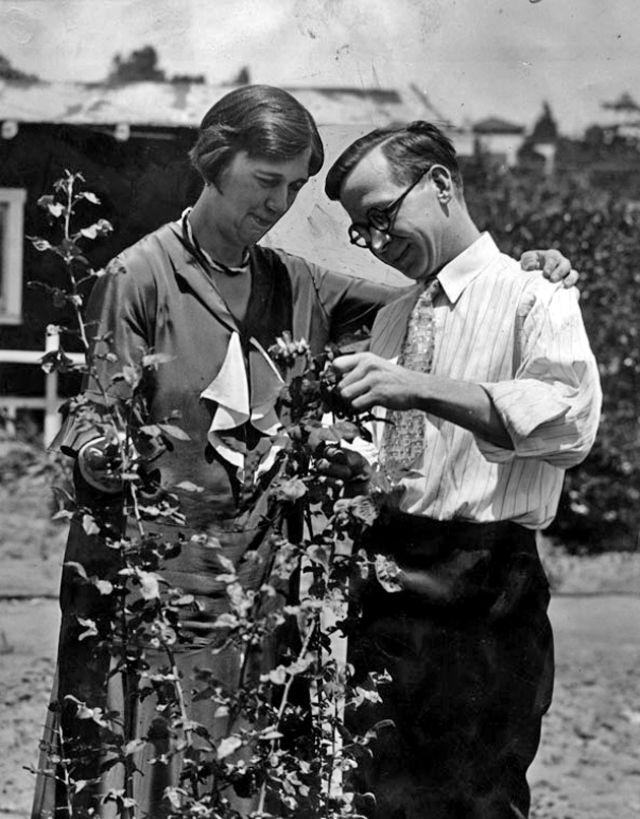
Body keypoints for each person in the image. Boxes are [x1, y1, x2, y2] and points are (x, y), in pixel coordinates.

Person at [33, 86, 578, 819]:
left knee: (248, 777)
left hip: (261, 595)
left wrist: (526, 269)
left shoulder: (297, 283)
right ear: (214, 161)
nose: (280, 204)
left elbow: (437, 288)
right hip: (156, 590)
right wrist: (100, 458)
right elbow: (94, 419)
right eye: (267, 180)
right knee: (142, 773)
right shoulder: (140, 275)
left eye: (294, 187)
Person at [323, 121, 602, 819]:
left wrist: (418, 389)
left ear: (441, 184)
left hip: (485, 582)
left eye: (382, 215)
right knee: (380, 794)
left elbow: (568, 422)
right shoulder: (392, 317)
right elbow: (391, 455)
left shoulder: (534, 295)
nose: (377, 242)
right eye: (361, 231)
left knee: (476, 801)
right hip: (389, 577)